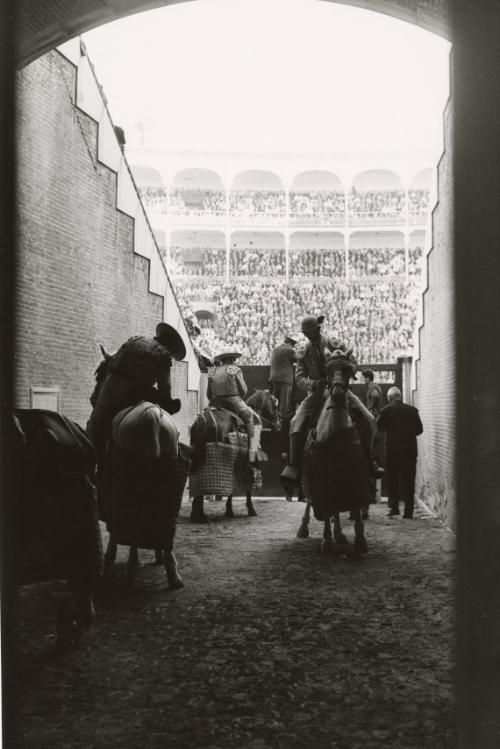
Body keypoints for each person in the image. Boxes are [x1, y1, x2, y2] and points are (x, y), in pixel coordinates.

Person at [87, 322, 186, 457]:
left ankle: (91, 461)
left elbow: (113, 359)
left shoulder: (136, 339)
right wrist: (168, 403)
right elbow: (165, 386)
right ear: (172, 348)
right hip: (139, 393)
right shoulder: (164, 354)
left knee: (96, 423)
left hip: (114, 387)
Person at [281, 315, 346, 485]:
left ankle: (371, 461)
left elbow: (351, 362)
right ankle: (293, 465)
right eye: (306, 333)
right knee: (295, 422)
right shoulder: (303, 350)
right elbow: (299, 377)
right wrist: (314, 384)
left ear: (318, 329)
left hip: (337, 390)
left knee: (366, 417)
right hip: (316, 394)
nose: (308, 335)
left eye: (310, 331)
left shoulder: (334, 343)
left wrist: (338, 380)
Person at [377, 386, 423, 518]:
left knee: (392, 481)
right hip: (409, 451)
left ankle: (394, 508)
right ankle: (408, 512)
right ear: (400, 396)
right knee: (409, 481)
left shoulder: (386, 411)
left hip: (392, 451)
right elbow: (419, 430)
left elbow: (379, 427)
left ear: (390, 398)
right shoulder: (412, 411)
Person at [207, 351, 261, 463]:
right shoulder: (235, 370)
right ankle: (254, 453)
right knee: (255, 419)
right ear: (232, 359)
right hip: (233, 402)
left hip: (215, 403)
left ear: (222, 360)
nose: (234, 361)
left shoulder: (212, 371)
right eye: (234, 359)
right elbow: (244, 391)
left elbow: (208, 395)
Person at [269, 333, 298, 420]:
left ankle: (274, 425)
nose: (293, 347)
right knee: (283, 406)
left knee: (274, 404)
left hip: (273, 379)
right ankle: (281, 428)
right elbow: (299, 360)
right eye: (293, 345)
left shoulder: (275, 349)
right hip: (284, 381)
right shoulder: (290, 350)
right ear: (290, 343)